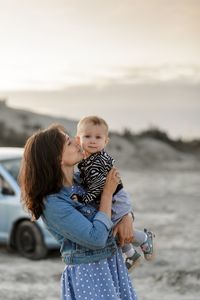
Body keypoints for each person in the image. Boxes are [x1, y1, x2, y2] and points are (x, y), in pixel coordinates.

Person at [19, 123, 138, 300]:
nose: (77, 142)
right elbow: (96, 238)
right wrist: (106, 193)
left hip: (113, 266)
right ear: (57, 157)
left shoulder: (82, 180)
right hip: (89, 277)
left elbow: (116, 206)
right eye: (68, 142)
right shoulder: (53, 203)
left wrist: (127, 217)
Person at [75, 116, 154, 271]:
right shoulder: (85, 162)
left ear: (106, 142)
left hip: (117, 198)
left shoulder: (99, 160)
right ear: (78, 139)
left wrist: (85, 198)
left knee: (115, 228)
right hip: (109, 197)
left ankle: (145, 239)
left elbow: (98, 186)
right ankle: (131, 254)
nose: (92, 141)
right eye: (87, 136)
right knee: (111, 228)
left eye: (98, 137)